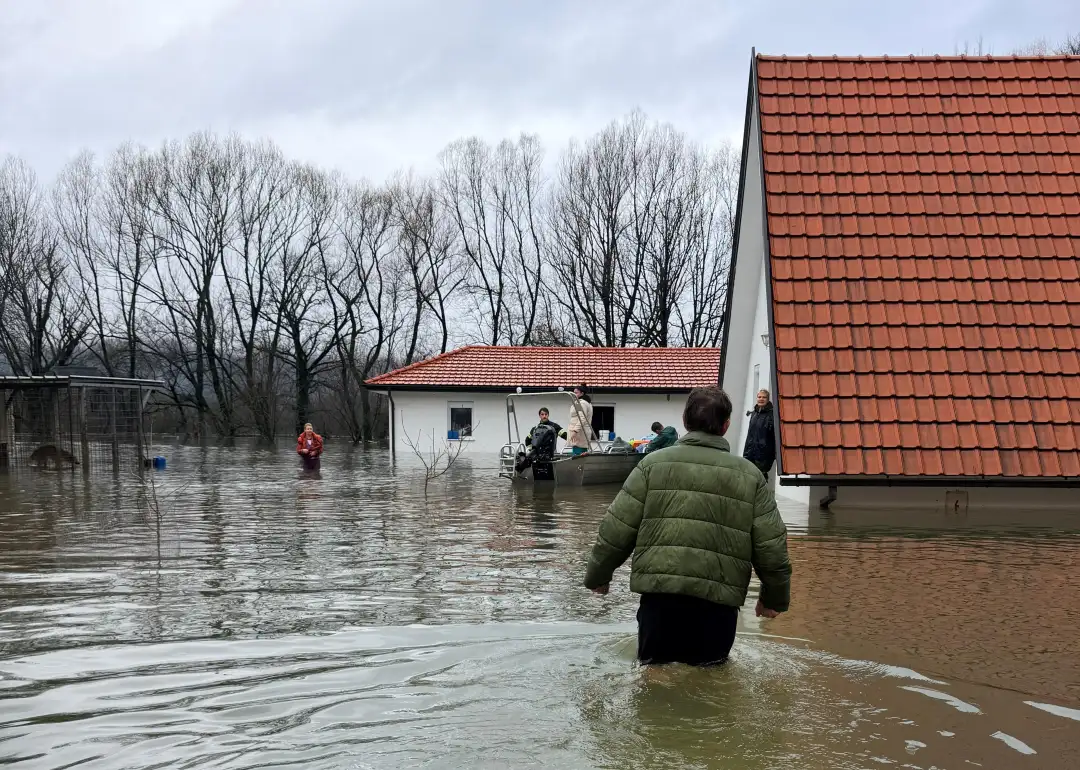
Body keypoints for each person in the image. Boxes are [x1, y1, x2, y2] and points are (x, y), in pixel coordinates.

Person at [583, 386, 792, 667]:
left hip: (659, 600)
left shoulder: (651, 466)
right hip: (718, 605)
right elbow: (772, 545)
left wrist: (599, 575)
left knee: (653, 679)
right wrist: (773, 598)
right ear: (726, 425)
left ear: (685, 421)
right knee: (709, 684)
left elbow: (616, 528)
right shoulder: (750, 476)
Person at [743, 389, 777, 478]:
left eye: (764, 397)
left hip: (763, 457)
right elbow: (749, 435)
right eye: (759, 397)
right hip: (749, 454)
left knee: (760, 480)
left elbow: (774, 438)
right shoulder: (754, 414)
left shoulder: (772, 415)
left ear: (768, 399)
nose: (761, 399)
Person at [565, 384, 594, 456]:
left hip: (579, 433)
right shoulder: (584, 402)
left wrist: (575, 431)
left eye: (576, 393)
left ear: (582, 393)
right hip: (580, 433)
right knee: (580, 453)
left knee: (578, 455)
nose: (574, 394)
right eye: (573, 392)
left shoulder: (582, 403)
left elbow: (582, 418)